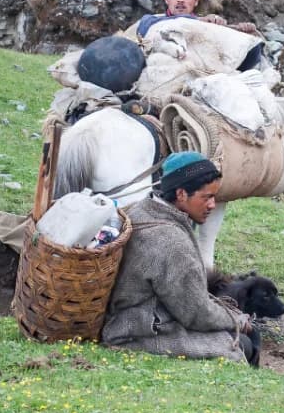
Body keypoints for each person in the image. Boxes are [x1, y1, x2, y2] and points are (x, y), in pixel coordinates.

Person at [102, 152, 255, 362]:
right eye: (206, 197)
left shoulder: (141, 209)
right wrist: (235, 319)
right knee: (245, 343)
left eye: (214, 197)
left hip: (135, 318)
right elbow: (196, 314)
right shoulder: (172, 244)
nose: (212, 205)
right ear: (181, 194)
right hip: (138, 332)